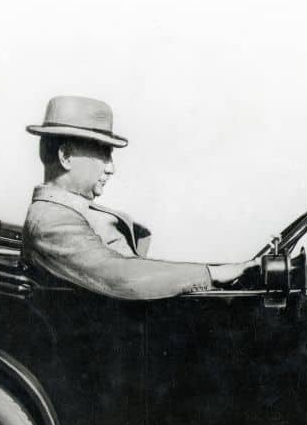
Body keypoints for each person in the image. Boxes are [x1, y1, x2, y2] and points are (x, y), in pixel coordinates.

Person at [23, 95, 258, 299]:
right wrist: (212, 273)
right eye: (103, 154)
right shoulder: (51, 220)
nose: (111, 168)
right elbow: (119, 276)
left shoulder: (65, 212)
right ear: (65, 156)